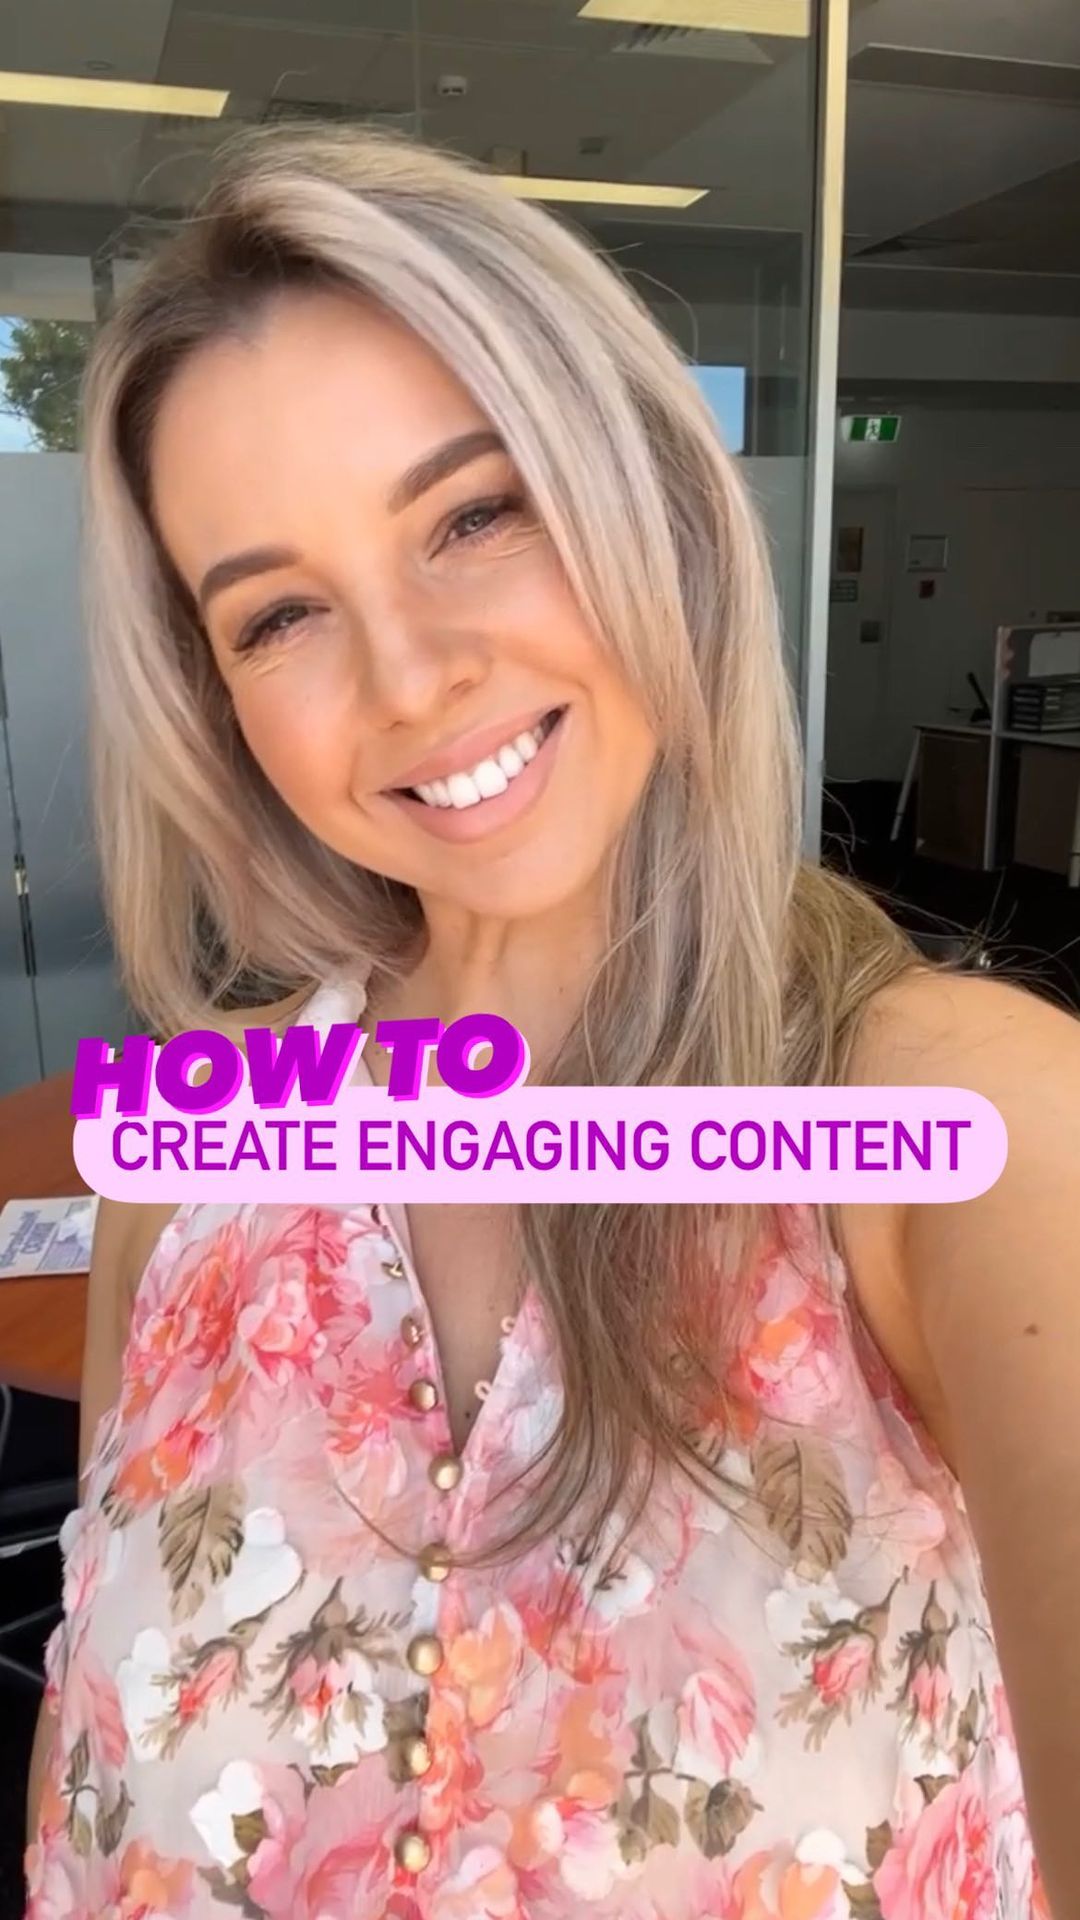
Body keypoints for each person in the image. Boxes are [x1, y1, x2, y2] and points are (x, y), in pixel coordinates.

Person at [23, 123, 1078, 1919]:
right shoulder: (194, 1155)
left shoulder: (962, 1125)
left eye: (475, 514)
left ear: (643, 499)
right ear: (218, 706)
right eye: (279, 615)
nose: (412, 676)